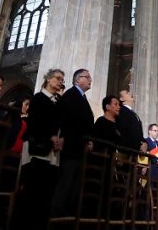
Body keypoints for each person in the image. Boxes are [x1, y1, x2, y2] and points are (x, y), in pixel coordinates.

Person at [11, 68, 64, 230]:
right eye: (58, 78)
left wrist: (61, 138)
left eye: (62, 79)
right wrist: (50, 136)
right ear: (48, 79)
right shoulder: (38, 98)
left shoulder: (58, 101)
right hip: (37, 148)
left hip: (51, 152)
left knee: (46, 194)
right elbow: (35, 123)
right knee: (31, 192)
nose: (61, 81)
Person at [52, 68, 94, 216]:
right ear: (77, 80)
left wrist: (88, 139)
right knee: (65, 185)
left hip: (79, 148)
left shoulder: (81, 97)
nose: (90, 79)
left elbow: (87, 121)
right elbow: (68, 121)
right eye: (87, 77)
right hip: (70, 148)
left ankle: (67, 218)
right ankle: (57, 218)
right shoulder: (71, 95)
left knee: (74, 189)